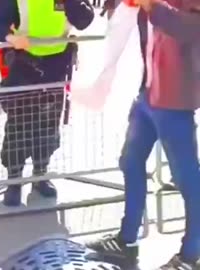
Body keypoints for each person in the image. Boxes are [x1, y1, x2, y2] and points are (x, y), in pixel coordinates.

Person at [85, 0, 200, 269]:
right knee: (130, 161)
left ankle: (192, 256)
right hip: (148, 95)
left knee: (188, 180)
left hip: (175, 102)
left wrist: (152, 5)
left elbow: (190, 29)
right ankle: (127, 241)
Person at [0, 0, 94, 206]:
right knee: (18, 126)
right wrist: (10, 37)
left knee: (48, 125)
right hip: (24, 64)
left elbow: (84, 20)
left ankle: (40, 175)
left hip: (56, 65)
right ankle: (14, 180)